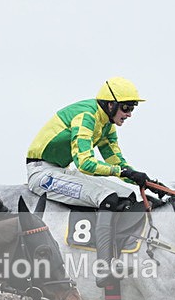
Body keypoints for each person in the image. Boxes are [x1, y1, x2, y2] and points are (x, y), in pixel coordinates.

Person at [25, 77, 165, 287]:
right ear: (111, 105)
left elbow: (116, 161)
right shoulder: (86, 117)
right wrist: (121, 171)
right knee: (107, 198)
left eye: (132, 109)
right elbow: (85, 163)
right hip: (41, 174)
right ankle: (103, 267)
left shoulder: (107, 125)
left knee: (128, 195)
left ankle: (118, 255)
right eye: (126, 108)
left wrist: (143, 180)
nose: (129, 114)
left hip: (62, 170)